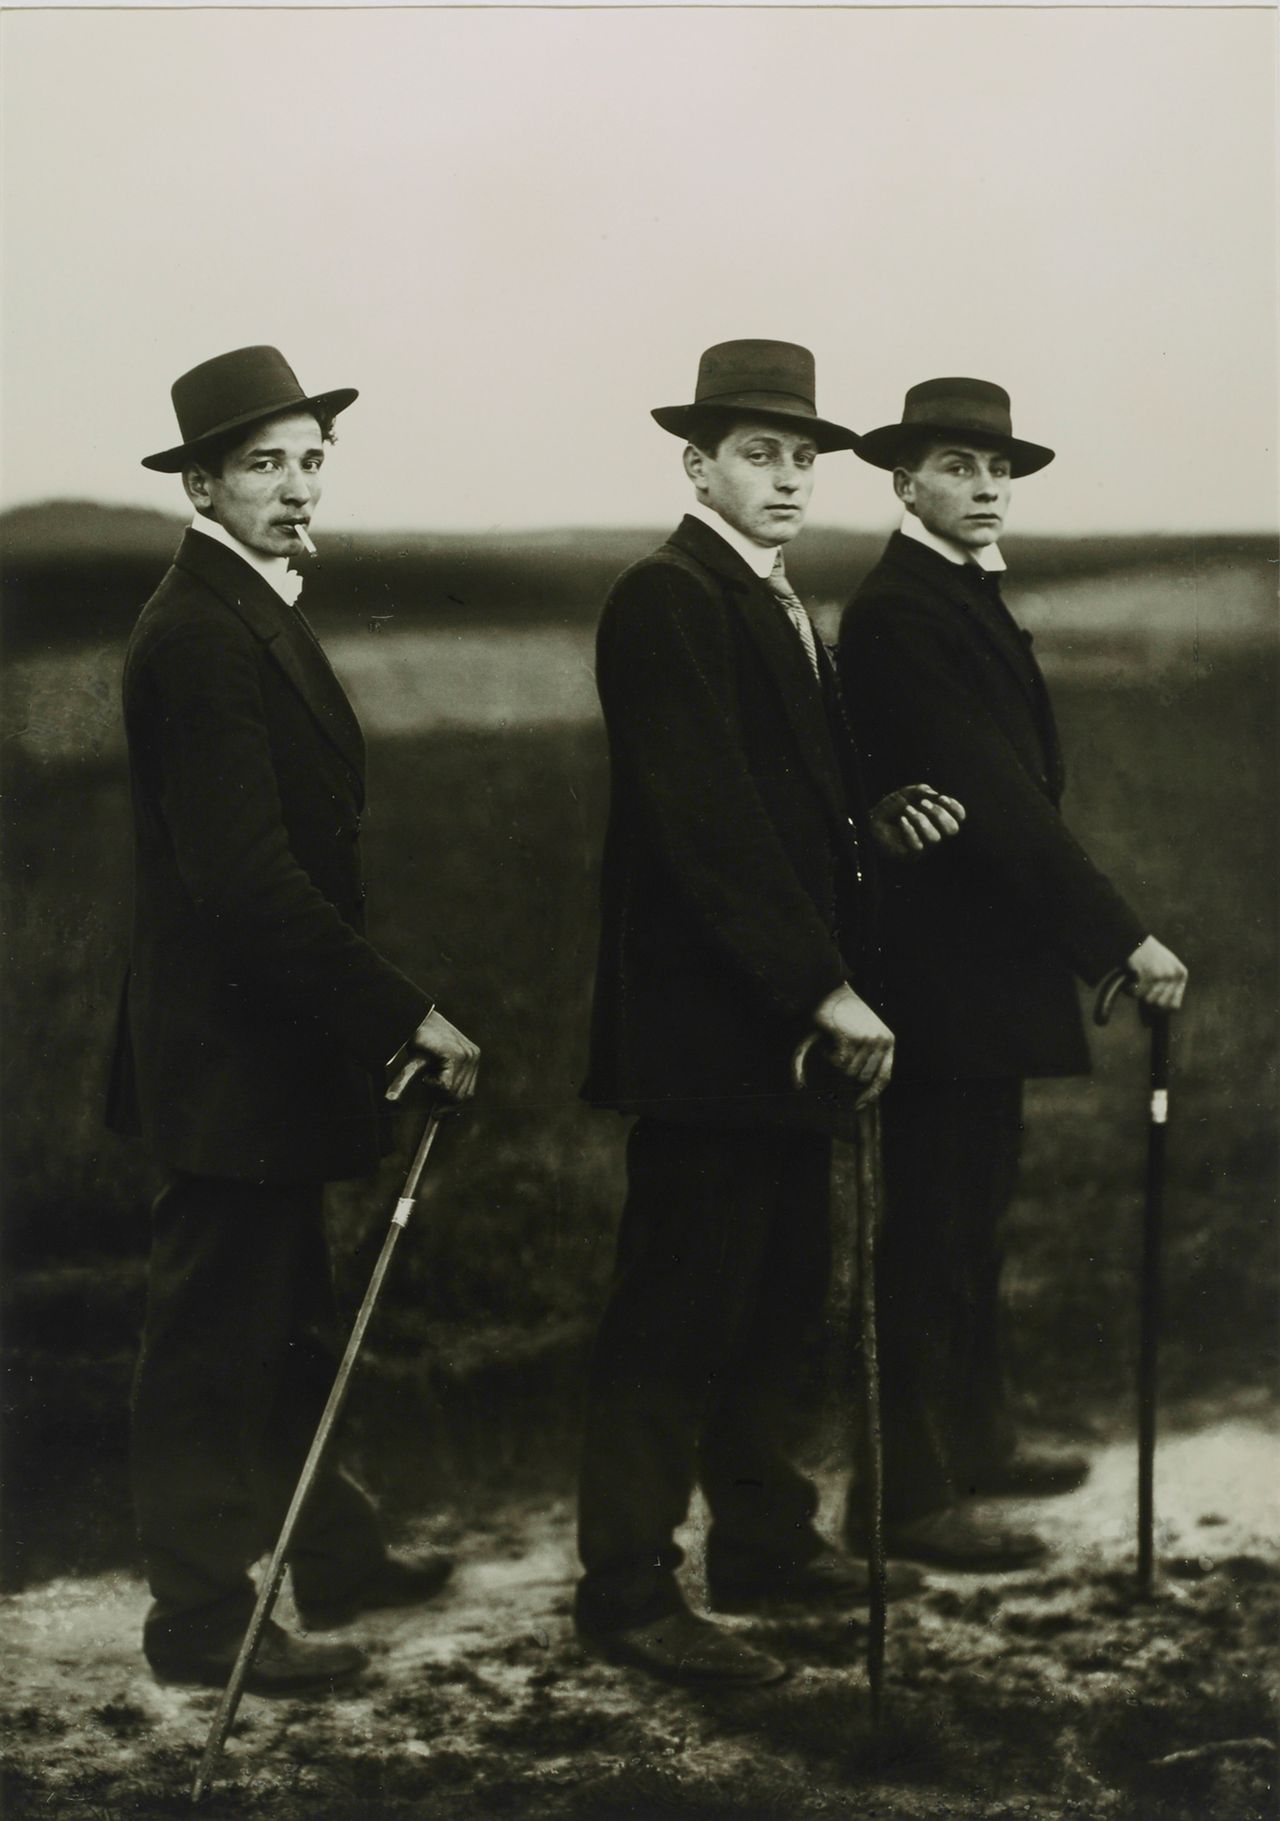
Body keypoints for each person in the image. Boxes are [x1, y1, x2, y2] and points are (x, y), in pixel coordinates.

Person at [575, 340, 962, 1688]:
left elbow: (786, 804)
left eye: (802, 457)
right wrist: (822, 985)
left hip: (779, 1028)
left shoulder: (775, 597)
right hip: (709, 1030)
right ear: (699, 463)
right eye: (759, 454)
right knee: (674, 1309)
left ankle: (764, 1543)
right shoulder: (666, 597)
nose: (789, 477)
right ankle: (626, 1590)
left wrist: (871, 822)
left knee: (779, 1296)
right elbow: (709, 825)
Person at [107, 345, 480, 1693]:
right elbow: (247, 879)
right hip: (227, 1053)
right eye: (265, 463)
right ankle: (200, 1624)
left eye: (311, 459)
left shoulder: (246, 603)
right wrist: (403, 1015)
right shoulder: (201, 627)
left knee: (291, 1313)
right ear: (202, 482)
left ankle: (332, 1547)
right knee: (215, 1336)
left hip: (268, 1045)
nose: (296, 486)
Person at [838, 377, 1188, 1570]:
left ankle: (975, 1439)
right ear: (903, 483)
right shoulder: (899, 612)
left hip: (981, 970)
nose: (983, 487)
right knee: (932, 1228)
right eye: (956, 467)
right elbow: (991, 796)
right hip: (936, 973)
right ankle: (903, 1493)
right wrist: (1116, 938)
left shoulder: (956, 595)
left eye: (997, 471)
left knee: (971, 1218)